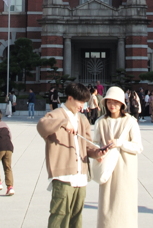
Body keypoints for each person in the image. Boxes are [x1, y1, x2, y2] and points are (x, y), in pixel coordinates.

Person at [37, 82, 103, 228]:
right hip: (63, 176)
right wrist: (62, 123)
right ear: (70, 98)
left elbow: (87, 145)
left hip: (81, 176)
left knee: (76, 217)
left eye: (85, 102)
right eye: (81, 101)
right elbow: (42, 125)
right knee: (60, 216)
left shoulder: (82, 119)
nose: (83, 106)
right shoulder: (55, 114)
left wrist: (97, 152)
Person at [92, 86, 143, 228]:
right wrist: (98, 152)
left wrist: (120, 143)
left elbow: (138, 147)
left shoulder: (130, 121)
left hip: (125, 169)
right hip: (108, 169)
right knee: (107, 206)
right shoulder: (100, 122)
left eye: (115, 102)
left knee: (125, 204)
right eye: (109, 102)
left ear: (122, 104)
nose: (112, 105)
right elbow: (94, 144)